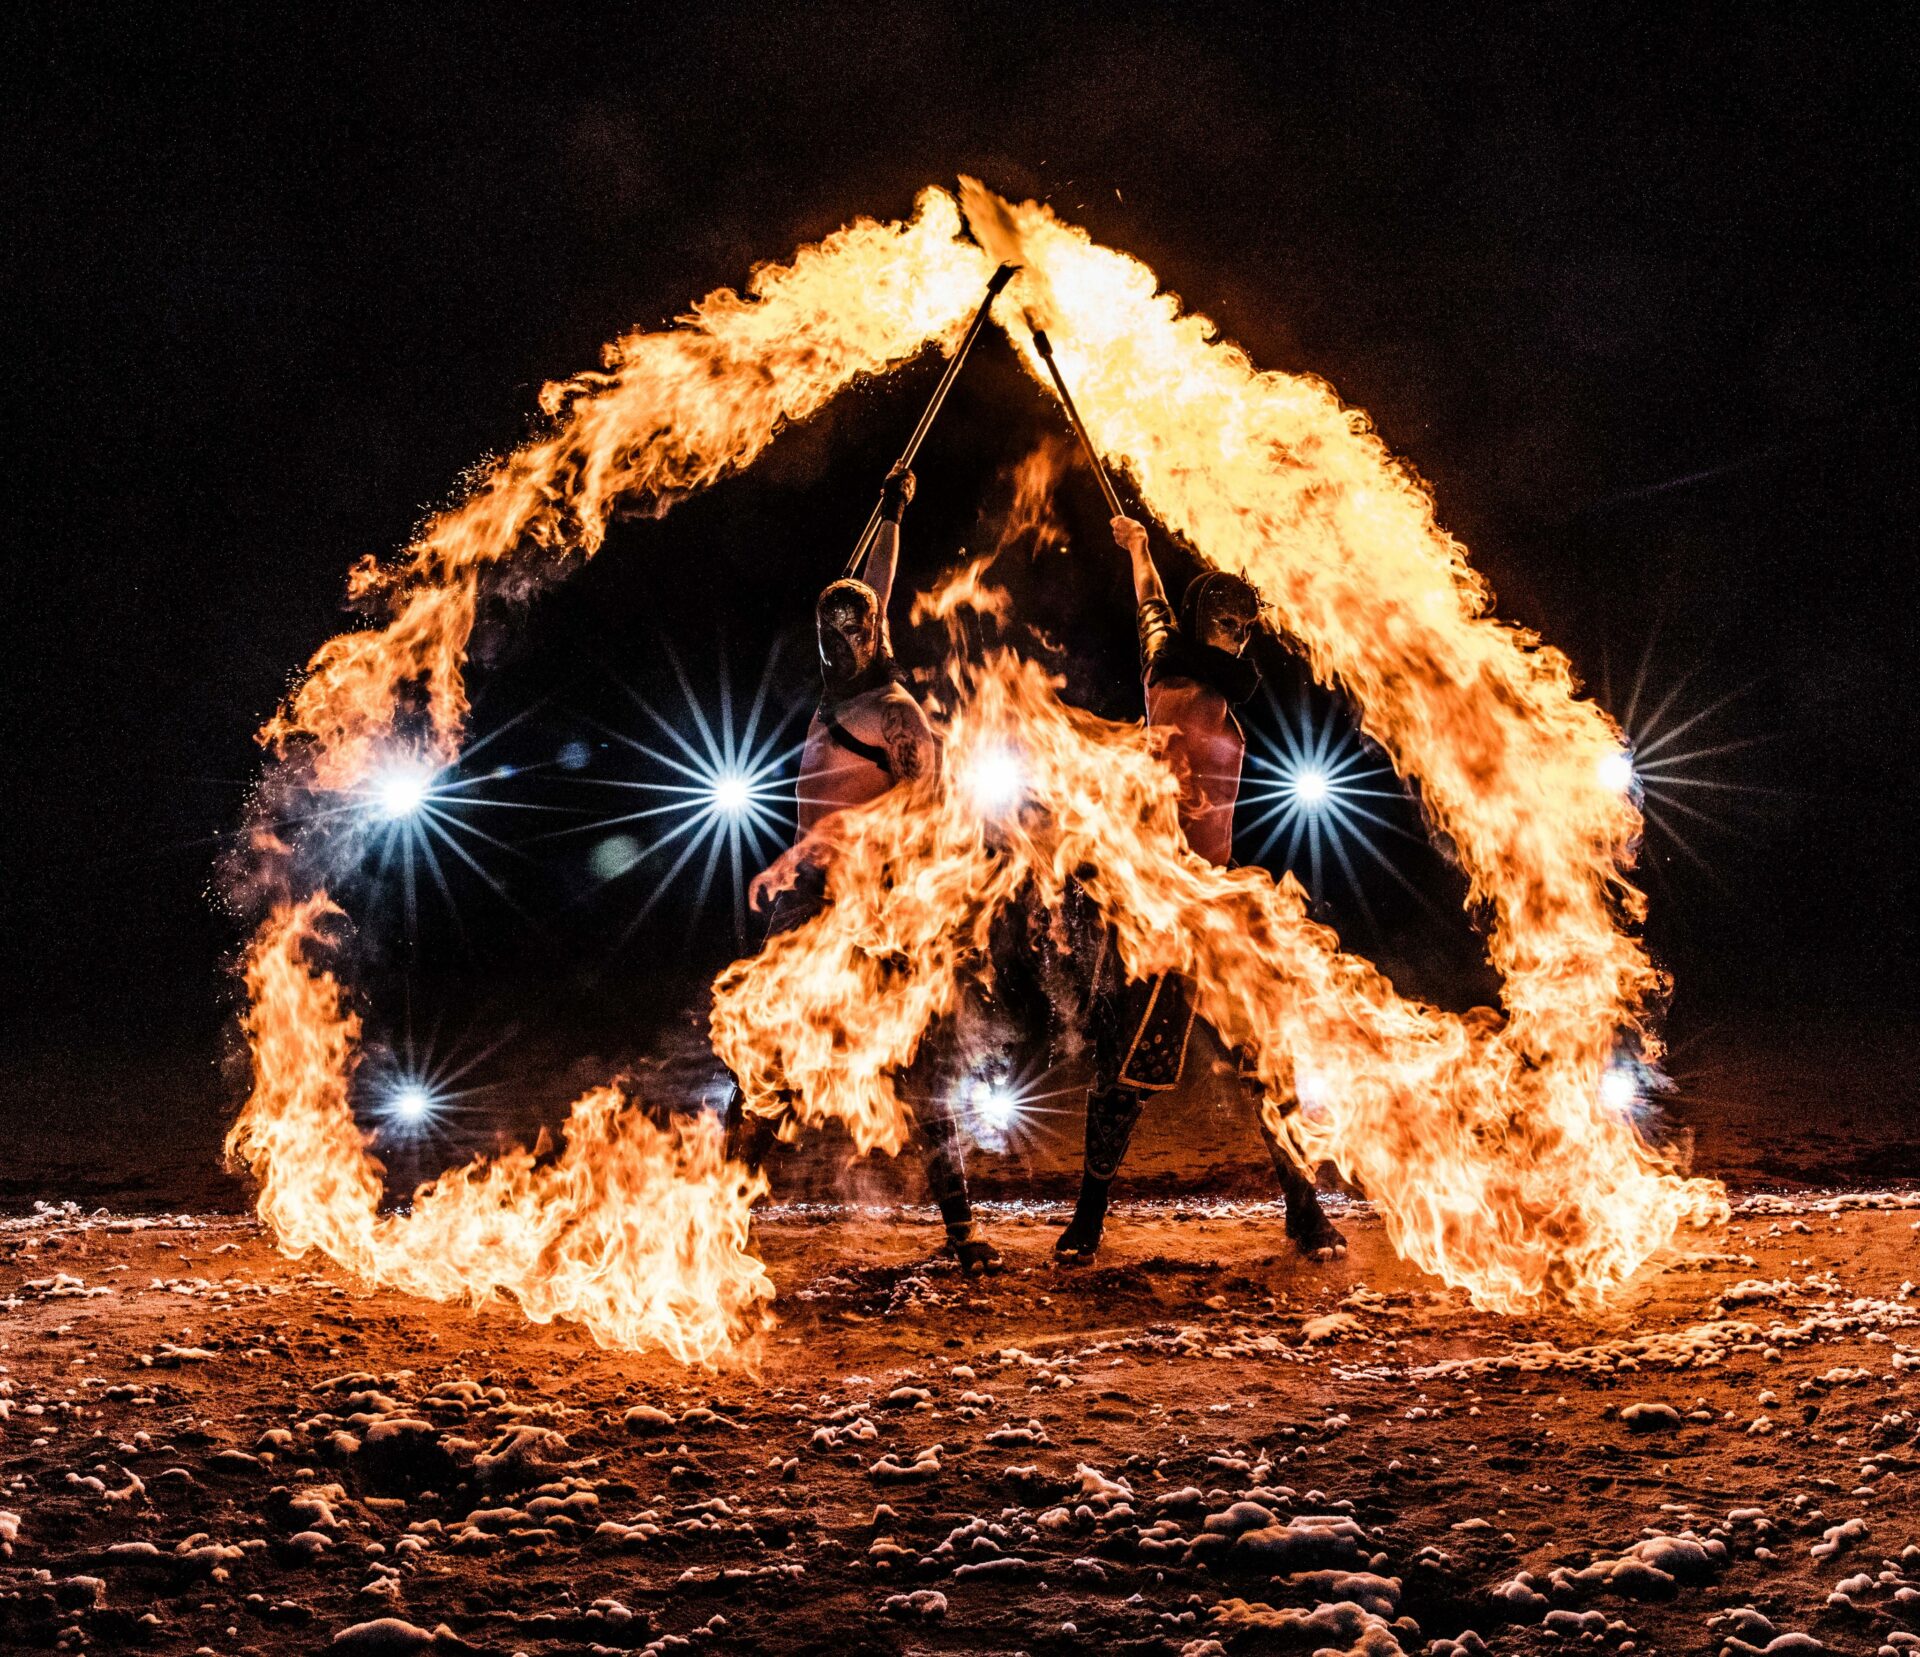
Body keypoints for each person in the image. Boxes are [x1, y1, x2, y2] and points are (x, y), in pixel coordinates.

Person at [725, 465, 1001, 1274]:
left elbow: (931, 806)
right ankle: (723, 1220)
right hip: (806, 907)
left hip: (872, 907)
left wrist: (843, 852)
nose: (837, 647)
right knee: (763, 1057)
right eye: (828, 637)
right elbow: (868, 584)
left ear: (871, 638)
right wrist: (892, 509)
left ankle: (961, 1231)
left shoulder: (894, 713)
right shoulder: (828, 695)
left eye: (851, 636)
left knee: (921, 1065)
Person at [1055, 514, 1347, 1264]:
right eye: (1227, 622)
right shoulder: (1168, 673)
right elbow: (1151, 608)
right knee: (1125, 1075)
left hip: (1219, 900)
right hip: (1160, 905)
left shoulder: (1212, 681)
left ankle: (1304, 1210)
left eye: (1247, 626)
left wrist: (1141, 546)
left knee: (1267, 1058)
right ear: (1200, 623)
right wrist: (1140, 560)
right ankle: (1087, 1220)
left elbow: (1154, 598)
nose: (1240, 636)